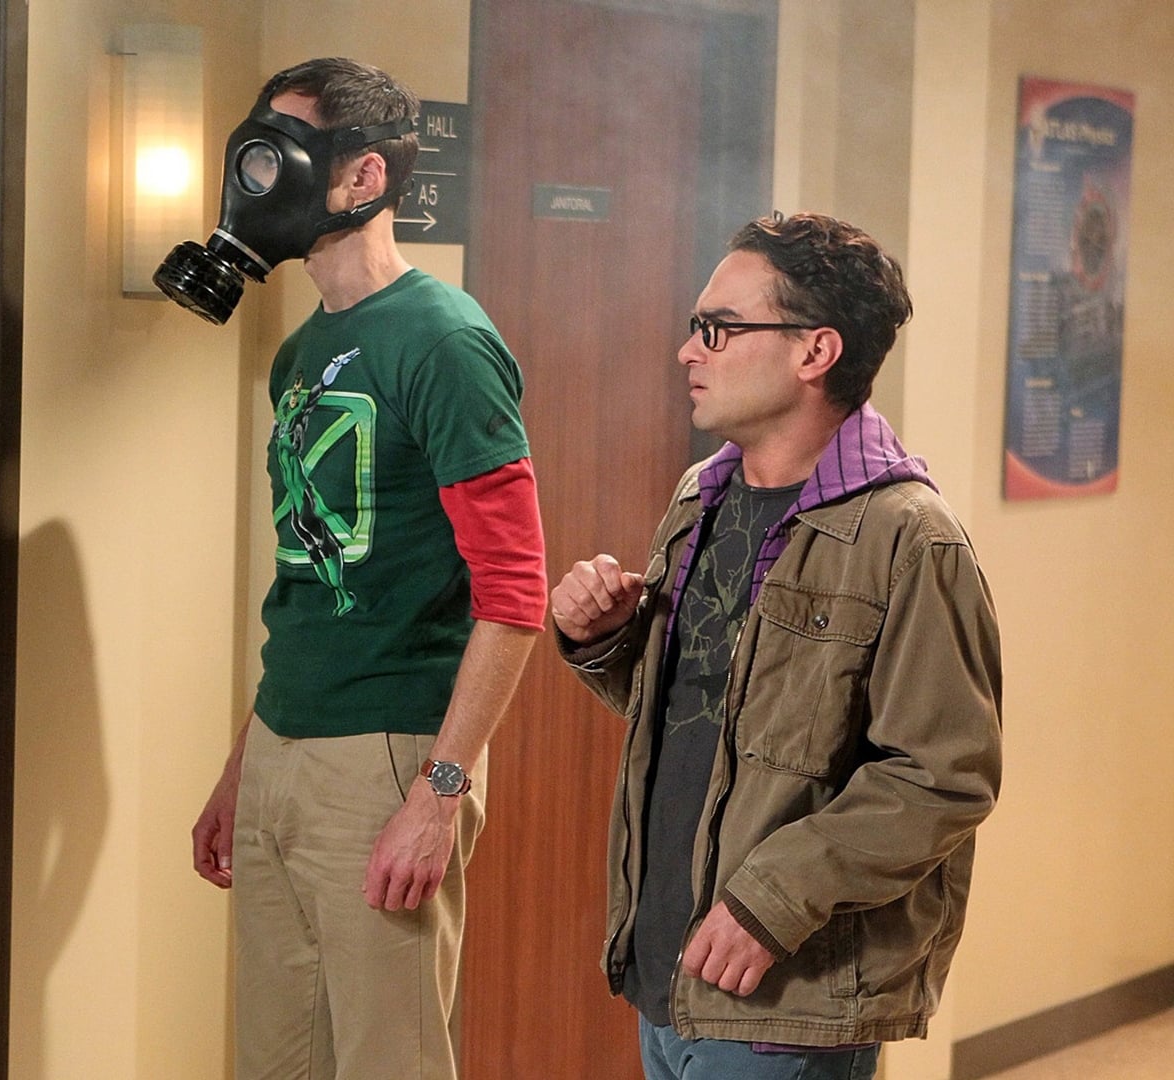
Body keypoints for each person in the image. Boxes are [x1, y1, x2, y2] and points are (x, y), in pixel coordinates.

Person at [550, 212, 1002, 1080]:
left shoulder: (911, 537)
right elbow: (711, 713)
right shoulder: (701, 497)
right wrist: (604, 641)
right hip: (668, 975)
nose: (689, 351)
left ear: (814, 352)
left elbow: (943, 777)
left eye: (718, 328)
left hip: (786, 999)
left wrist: (771, 902)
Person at [188, 58, 549, 1080]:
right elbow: (310, 578)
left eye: (283, 154)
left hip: (388, 756)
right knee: (274, 1064)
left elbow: (515, 594)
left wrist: (438, 795)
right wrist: (246, 765)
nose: (259, 181)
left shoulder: (444, 341)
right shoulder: (300, 354)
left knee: (391, 1062)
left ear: (364, 176)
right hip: (285, 747)